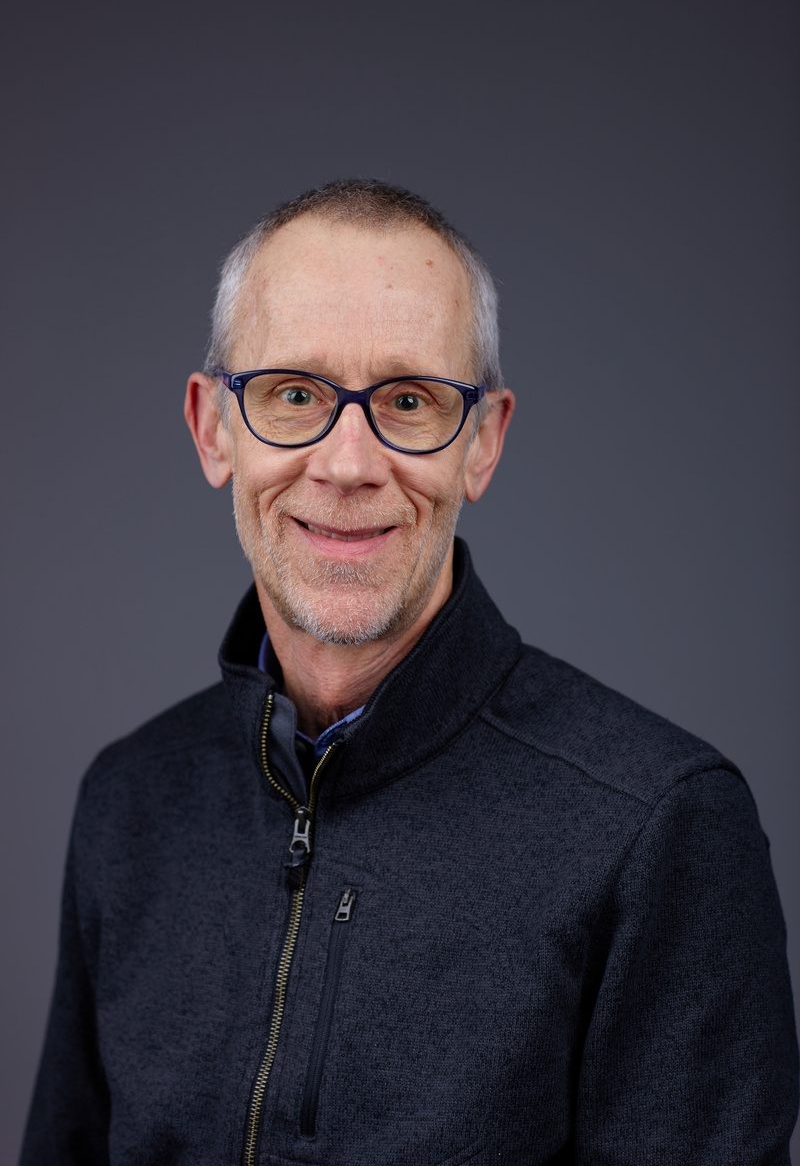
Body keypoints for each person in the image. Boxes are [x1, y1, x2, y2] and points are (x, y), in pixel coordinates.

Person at [22, 179, 798, 1165]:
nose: (348, 463)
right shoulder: (131, 802)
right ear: (213, 428)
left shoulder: (659, 828)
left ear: (482, 443)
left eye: (407, 401)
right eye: (293, 394)